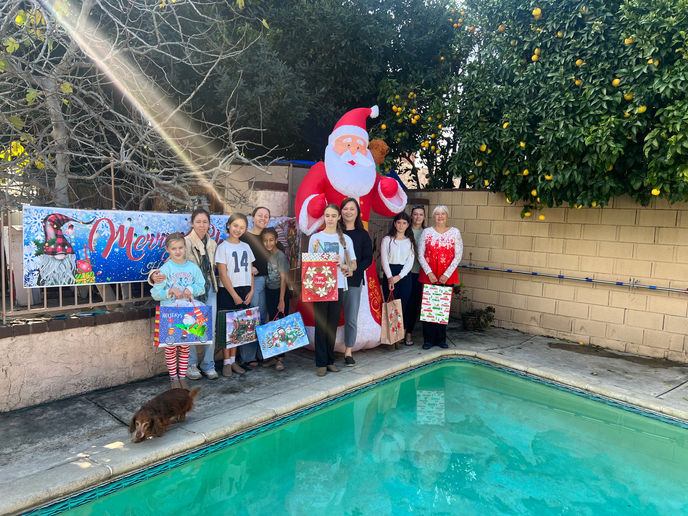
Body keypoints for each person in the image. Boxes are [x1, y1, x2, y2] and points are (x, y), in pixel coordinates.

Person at [295, 105, 408, 349]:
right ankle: (325, 342)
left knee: (360, 283)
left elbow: (386, 205)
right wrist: (314, 206)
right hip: (329, 238)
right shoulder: (323, 169)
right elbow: (307, 197)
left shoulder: (369, 174)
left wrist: (388, 189)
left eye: (359, 146)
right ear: (334, 145)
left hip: (360, 238)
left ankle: (365, 333)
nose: (353, 151)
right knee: (330, 292)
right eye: (347, 144)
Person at [149, 208, 220, 381]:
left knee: (207, 326)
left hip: (205, 287)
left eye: (205, 222)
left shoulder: (212, 244)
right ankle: (190, 366)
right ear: (192, 223)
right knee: (186, 329)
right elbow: (167, 268)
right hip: (180, 297)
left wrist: (194, 288)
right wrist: (153, 276)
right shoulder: (184, 241)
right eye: (198, 221)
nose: (202, 225)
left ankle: (208, 365)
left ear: (209, 224)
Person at [150, 232, 207, 390]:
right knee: (170, 346)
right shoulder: (165, 269)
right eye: (174, 248)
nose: (178, 251)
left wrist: (191, 289)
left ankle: (182, 376)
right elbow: (155, 293)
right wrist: (169, 291)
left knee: (184, 346)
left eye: (180, 247)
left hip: (187, 313)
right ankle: (173, 378)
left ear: (185, 247)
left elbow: (201, 286)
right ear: (167, 249)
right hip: (169, 313)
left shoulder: (193, 268)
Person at [307, 204, 356, 376]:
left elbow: (353, 266)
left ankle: (330, 361)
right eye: (327, 215)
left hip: (338, 286)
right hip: (320, 286)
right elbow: (310, 264)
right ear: (324, 217)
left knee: (332, 325)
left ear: (339, 217)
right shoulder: (315, 238)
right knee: (321, 324)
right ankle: (321, 363)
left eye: (333, 216)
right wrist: (317, 253)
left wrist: (342, 264)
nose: (330, 219)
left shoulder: (345, 240)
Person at [417, 205, 463, 350]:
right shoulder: (426, 232)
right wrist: (429, 272)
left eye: (443, 214)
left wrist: (446, 274)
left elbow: (458, 255)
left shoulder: (455, 232)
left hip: (446, 276)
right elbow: (420, 254)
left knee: (442, 307)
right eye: (437, 214)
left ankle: (441, 339)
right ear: (433, 217)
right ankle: (428, 340)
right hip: (429, 275)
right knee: (429, 308)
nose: (440, 216)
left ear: (447, 216)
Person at [215, 213, 255, 377]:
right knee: (227, 328)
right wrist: (234, 295)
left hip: (245, 290)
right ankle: (226, 362)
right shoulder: (222, 247)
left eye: (242, 227)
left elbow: (251, 270)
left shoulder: (246, 246)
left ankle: (233, 361)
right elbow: (223, 274)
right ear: (228, 226)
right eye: (235, 226)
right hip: (228, 291)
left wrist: (252, 290)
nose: (238, 230)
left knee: (239, 327)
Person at [340, 197, 373, 366]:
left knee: (351, 318)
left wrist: (353, 269)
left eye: (352, 209)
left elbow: (368, 259)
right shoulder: (335, 232)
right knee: (330, 317)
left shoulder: (363, 234)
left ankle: (348, 351)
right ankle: (327, 350)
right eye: (345, 208)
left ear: (357, 212)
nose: (348, 212)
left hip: (354, 281)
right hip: (333, 281)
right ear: (340, 211)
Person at [239, 206, 271, 367]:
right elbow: (238, 258)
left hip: (269, 280)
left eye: (266, 216)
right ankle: (248, 356)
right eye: (260, 215)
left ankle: (262, 353)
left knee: (263, 317)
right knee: (251, 317)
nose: (263, 219)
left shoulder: (269, 236)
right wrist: (249, 268)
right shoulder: (245, 236)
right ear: (252, 217)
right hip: (253, 281)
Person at [380, 212, 416, 349]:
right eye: (399, 222)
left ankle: (398, 338)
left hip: (404, 276)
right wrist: (390, 278)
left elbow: (410, 262)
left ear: (408, 225)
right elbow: (384, 260)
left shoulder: (409, 241)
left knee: (401, 307)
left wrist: (399, 277)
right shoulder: (387, 240)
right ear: (395, 224)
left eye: (404, 223)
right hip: (390, 273)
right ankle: (390, 339)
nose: (401, 225)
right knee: (391, 306)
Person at [261, 227, 288, 371]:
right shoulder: (266, 254)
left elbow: (284, 280)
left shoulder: (280, 256)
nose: (268, 243)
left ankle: (280, 359)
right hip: (269, 292)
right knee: (271, 323)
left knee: (280, 325)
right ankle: (273, 356)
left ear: (276, 240)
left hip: (279, 293)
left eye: (271, 240)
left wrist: (281, 300)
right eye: (265, 240)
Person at [405, 205, 426, 346]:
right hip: (405, 273)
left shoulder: (427, 232)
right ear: (411, 216)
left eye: (421, 214)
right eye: (415, 214)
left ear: (424, 217)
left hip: (419, 273)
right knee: (404, 303)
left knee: (414, 305)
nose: (418, 217)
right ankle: (399, 332)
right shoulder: (405, 230)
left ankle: (409, 333)